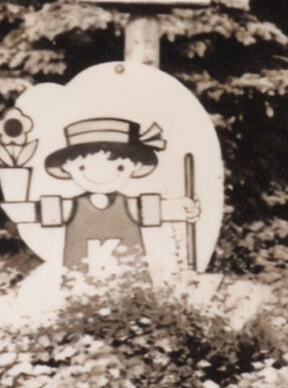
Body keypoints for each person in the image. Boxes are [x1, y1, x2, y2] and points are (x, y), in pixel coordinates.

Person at [19, 117, 200, 274]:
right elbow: (28, 213)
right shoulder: (69, 207)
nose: (100, 175)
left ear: (135, 165)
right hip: (80, 291)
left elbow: (168, 209)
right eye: (82, 167)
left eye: (119, 167)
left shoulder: (132, 206)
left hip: (132, 291)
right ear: (67, 167)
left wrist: (185, 208)